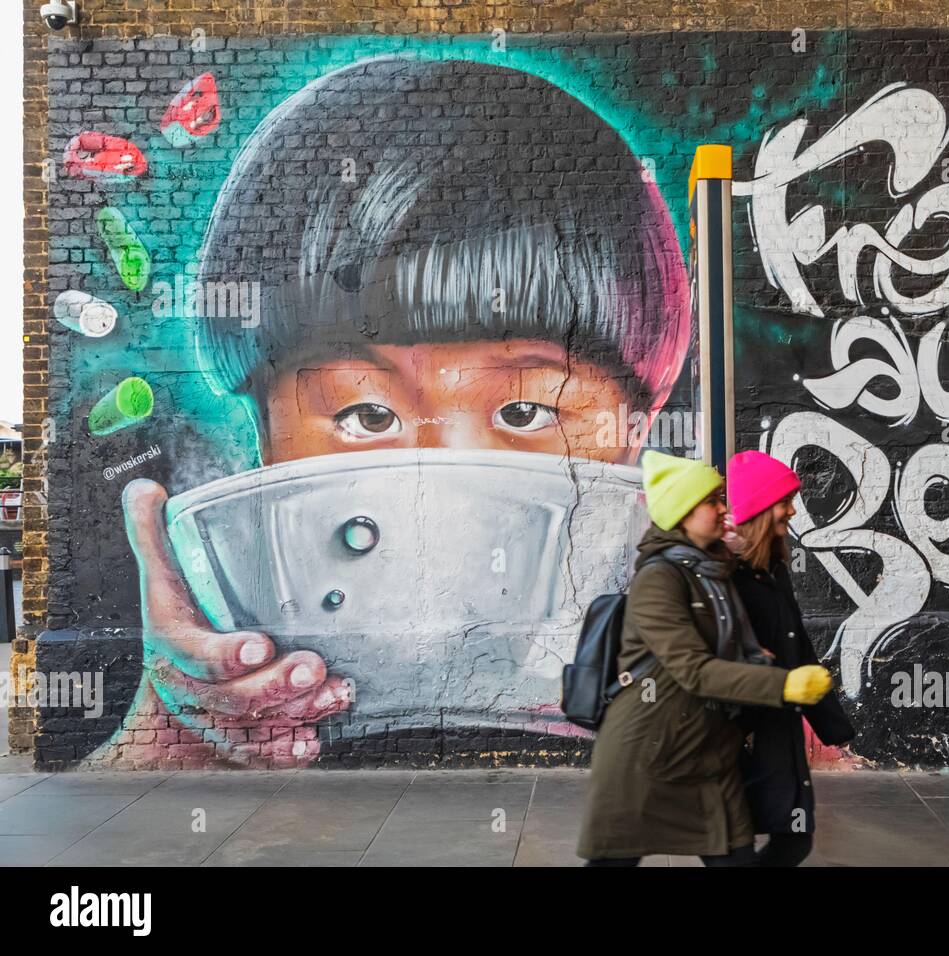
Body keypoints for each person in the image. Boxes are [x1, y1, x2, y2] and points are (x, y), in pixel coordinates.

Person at [84, 56, 692, 768]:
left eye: (527, 411)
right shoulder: (235, 644)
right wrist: (174, 734)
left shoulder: (696, 601)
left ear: (636, 431)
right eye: (367, 418)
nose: (450, 499)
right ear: (263, 441)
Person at [576, 451, 835, 865]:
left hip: (709, 749)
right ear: (682, 512)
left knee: (735, 857)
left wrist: (756, 657)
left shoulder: (713, 569)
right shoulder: (658, 579)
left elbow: (733, 641)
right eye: (712, 501)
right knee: (613, 861)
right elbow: (694, 670)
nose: (723, 508)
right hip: (648, 751)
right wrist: (783, 685)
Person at [725, 450, 857, 867]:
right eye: (785, 500)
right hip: (735, 738)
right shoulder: (724, 575)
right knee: (733, 847)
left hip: (776, 733)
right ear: (761, 507)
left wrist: (831, 723)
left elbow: (798, 645)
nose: (793, 510)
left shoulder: (773, 569)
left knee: (795, 838)